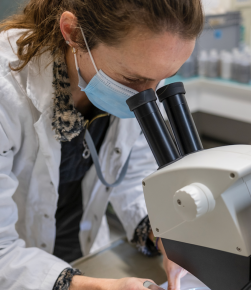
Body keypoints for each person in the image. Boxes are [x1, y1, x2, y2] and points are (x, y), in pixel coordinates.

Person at [0, 0, 203, 289]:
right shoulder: (5, 90)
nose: (148, 95)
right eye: (133, 79)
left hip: (86, 251)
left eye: (163, 79)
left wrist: (164, 235)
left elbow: (134, 178)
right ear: (73, 32)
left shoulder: (128, 77)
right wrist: (96, 287)